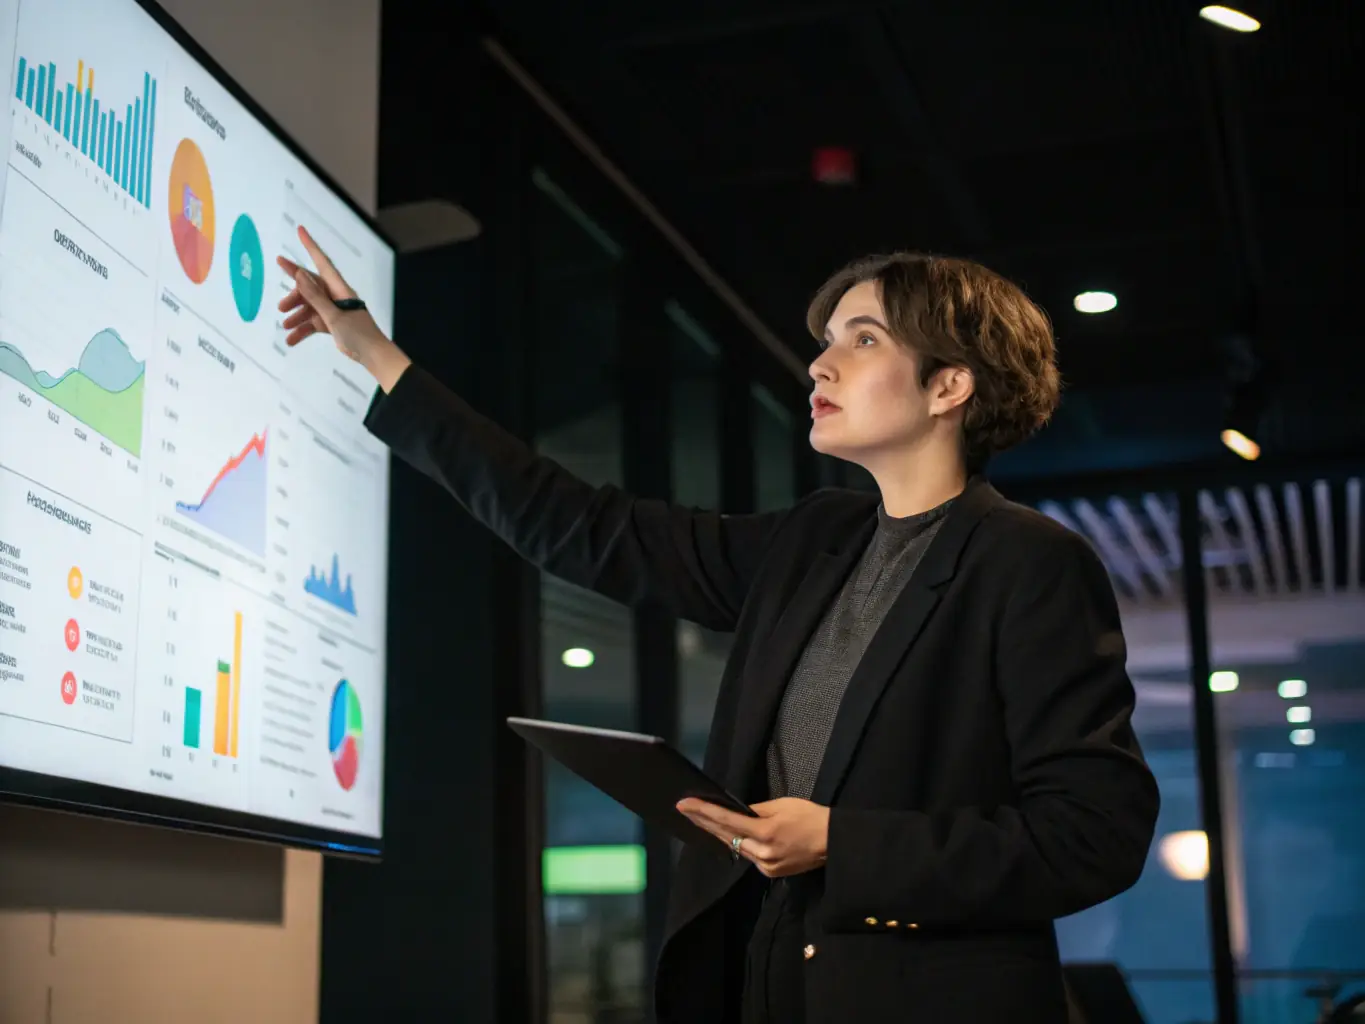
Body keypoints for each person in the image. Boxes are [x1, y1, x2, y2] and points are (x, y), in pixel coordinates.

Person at [278, 226, 1159, 1023]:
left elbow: (1092, 836)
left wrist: (839, 842)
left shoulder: (1028, 563)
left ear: (950, 385)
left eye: (862, 341)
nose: (819, 366)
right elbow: (584, 528)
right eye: (824, 344)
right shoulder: (814, 540)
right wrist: (377, 358)